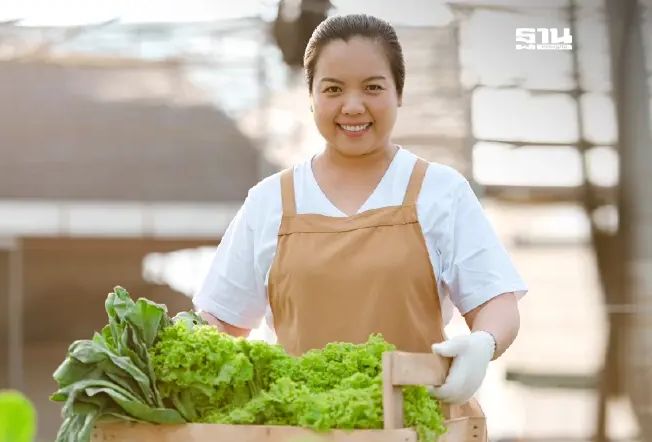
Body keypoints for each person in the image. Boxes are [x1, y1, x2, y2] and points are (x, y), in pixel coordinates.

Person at [193, 13, 527, 435]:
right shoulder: (269, 202)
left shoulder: (441, 191)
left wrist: (484, 343)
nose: (353, 106)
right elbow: (221, 323)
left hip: (416, 430)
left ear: (398, 93)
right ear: (311, 97)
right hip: (300, 431)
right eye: (333, 89)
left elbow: (496, 301)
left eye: (372, 87)